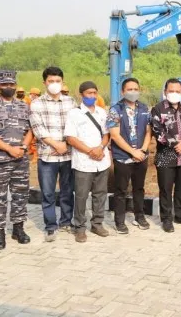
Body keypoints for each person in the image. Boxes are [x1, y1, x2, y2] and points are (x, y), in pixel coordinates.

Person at [0, 70, 33, 250]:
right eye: (4, 84)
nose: (8, 87)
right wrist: (9, 149)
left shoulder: (24, 106)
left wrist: (23, 147)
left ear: (15, 85)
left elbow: (31, 130)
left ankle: (18, 228)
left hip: (20, 160)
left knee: (20, 196)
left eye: (11, 84)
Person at [29, 66, 77, 242]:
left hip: (68, 156)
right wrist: (57, 144)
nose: (54, 84)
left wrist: (66, 144)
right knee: (48, 193)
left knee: (67, 191)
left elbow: (75, 126)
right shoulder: (36, 104)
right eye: (51, 81)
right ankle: (50, 226)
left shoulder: (71, 102)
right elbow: (38, 129)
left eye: (57, 81)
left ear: (62, 82)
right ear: (44, 83)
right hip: (47, 156)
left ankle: (66, 222)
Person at [64, 81, 111, 243]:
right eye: (88, 93)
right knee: (82, 196)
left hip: (102, 160)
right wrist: (90, 151)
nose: (92, 96)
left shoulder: (102, 112)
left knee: (100, 194)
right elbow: (70, 138)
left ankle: (97, 224)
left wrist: (100, 147)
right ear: (81, 95)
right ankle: (80, 228)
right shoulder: (74, 114)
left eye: (94, 93)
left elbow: (107, 134)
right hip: (84, 161)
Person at [107, 77, 152, 234]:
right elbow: (115, 135)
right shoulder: (115, 110)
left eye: (135, 89)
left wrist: (143, 150)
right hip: (123, 157)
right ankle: (119, 221)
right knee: (121, 190)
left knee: (139, 188)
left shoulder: (145, 108)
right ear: (122, 91)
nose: (133, 92)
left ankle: (139, 216)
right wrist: (133, 152)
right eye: (129, 89)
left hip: (141, 156)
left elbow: (148, 132)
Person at [151, 78, 181, 233]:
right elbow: (157, 132)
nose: (174, 93)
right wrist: (177, 144)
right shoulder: (157, 109)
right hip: (165, 157)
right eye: (171, 91)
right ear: (165, 92)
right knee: (166, 189)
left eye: (177, 91)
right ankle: (167, 219)